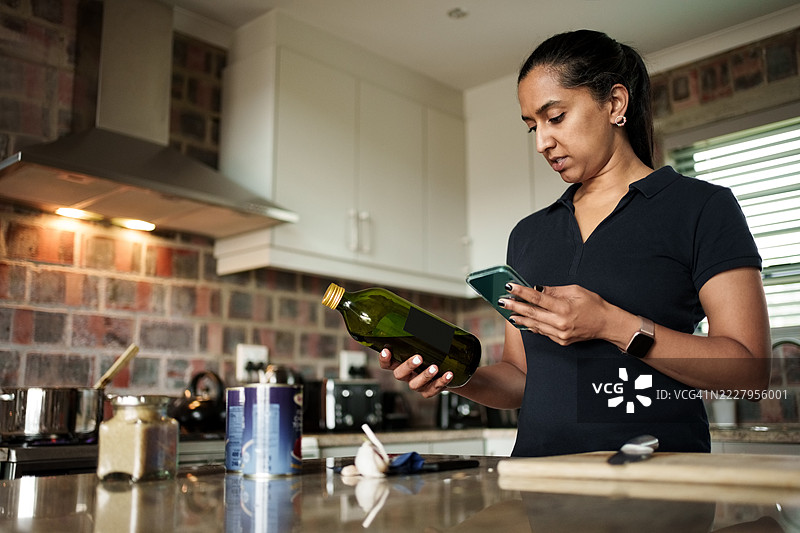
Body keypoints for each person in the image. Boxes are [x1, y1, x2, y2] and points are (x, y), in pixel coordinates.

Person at [378, 29, 771, 457]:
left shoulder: (701, 207)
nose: (542, 142)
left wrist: (611, 324)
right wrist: (456, 375)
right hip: (540, 486)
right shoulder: (529, 234)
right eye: (532, 126)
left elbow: (749, 371)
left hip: (660, 488)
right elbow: (520, 378)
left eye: (556, 117)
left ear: (615, 103)